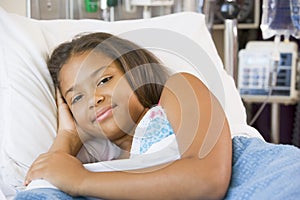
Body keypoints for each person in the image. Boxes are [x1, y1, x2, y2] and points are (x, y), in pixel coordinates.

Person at [16, 32, 232, 199]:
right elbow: (45, 187)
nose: (94, 99)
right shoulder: (109, 163)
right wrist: (67, 135)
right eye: (77, 98)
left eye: (103, 80)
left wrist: (82, 180)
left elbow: (207, 179)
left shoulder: (178, 89)